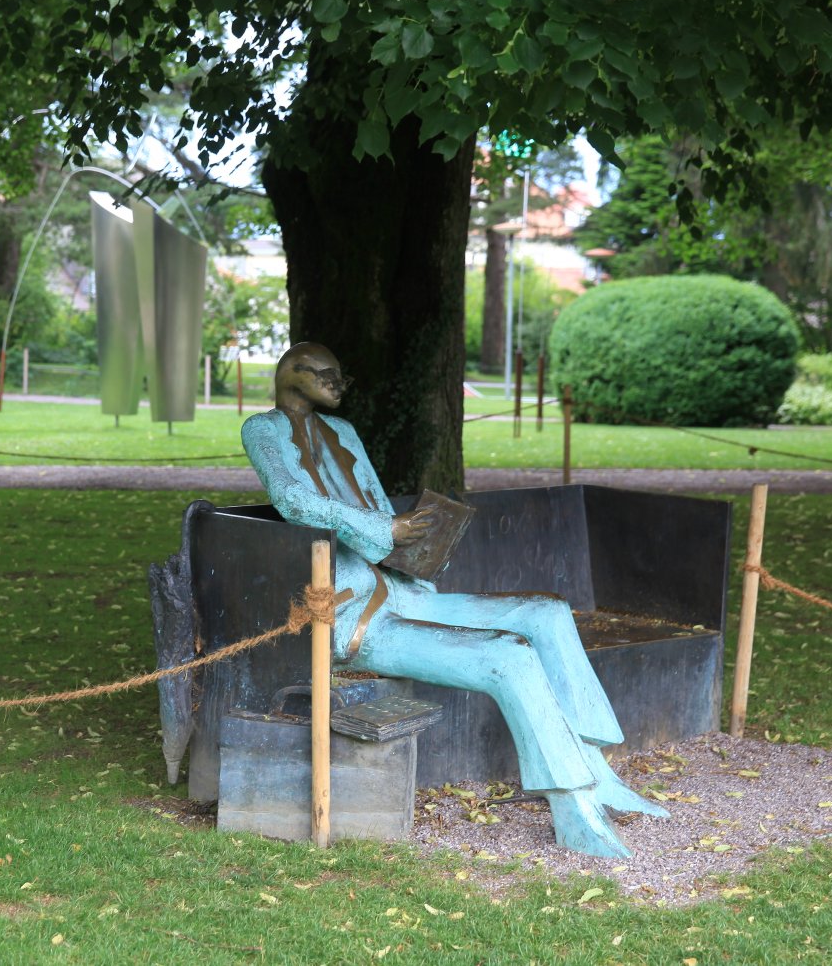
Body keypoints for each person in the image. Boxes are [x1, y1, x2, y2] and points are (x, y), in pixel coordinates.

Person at [240, 342, 667, 857]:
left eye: (340, 377)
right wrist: (386, 529)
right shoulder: (262, 430)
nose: (338, 386)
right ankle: (573, 802)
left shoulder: (343, 432)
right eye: (327, 376)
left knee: (547, 612)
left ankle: (599, 773)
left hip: (402, 588)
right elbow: (292, 501)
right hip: (355, 614)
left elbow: (378, 505)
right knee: (508, 654)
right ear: (293, 373)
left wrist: (416, 542)